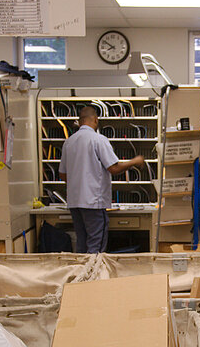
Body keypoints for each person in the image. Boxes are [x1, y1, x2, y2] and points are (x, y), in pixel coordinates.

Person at [59, 106, 145, 253]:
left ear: (80, 122)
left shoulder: (69, 142)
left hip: (74, 202)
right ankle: (94, 276)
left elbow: (63, 174)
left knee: (82, 243)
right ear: (96, 120)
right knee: (95, 245)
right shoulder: (98, 140)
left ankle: (83, 275)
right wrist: (135, 161)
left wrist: (79, 184)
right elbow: (114, 168)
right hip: (93, 202)